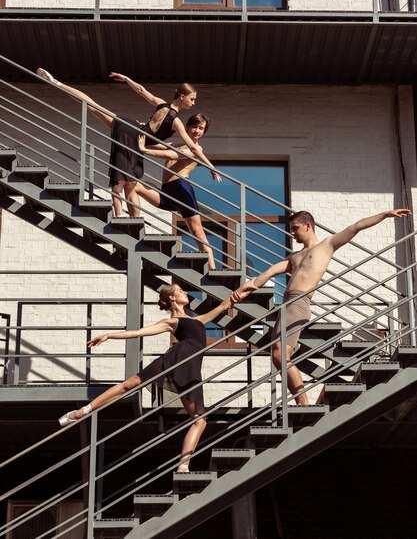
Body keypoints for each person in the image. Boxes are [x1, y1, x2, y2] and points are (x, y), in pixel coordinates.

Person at [58, 283, 245, 472]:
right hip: (175, 358)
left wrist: (243, 290)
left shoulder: (198, 320)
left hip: (191, 370)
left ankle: (183, 466)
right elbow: (139, 332)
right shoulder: (171, 322)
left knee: (200, 420)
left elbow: (223, 306)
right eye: (181, 291)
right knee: (130, 384)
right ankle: (83, 411)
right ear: (172, 298)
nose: (186, 292)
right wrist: (109, 335)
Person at [233, 208, 411, 406]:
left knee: (280, 354)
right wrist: (247, 288)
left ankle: (303, 402)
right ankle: (301, 401)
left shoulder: (326, 245)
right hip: (286, 303)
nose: (292, 233)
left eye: (295, 228)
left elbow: (356, 226)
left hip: (298, 303)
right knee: (277, 356)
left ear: (308, 226)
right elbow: (270, 271)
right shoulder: (294, 257)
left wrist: (386, 214)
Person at [35, 69, 220, 217]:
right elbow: (194, 147)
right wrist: (211, 167)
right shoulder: (177, 122)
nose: (193, 103)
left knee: (93, 106)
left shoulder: (162, 104)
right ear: (182, 97)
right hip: (134, 139)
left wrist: (127, 79)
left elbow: (142, 91)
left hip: (130, 128)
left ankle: (58, 84)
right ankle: (132, 220)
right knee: (130, 182)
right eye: (192, 99)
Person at [136, 113, 216, 269]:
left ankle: (212, 269)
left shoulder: (196, 149)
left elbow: (170, 154)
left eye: (201, 129)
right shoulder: (176, 144)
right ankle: (132, 221)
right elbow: (153, 143)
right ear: (186, 127)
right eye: (195, 127)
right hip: (167, 191)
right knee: (136, 185)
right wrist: (142, 129)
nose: (197, 131)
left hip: (181, 189)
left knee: (197, 232)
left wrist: (144, 150)